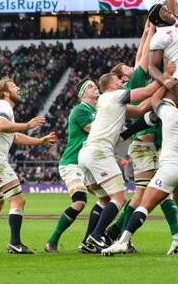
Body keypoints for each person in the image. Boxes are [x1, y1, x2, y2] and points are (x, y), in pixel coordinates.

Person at [102, 86, 178, 257]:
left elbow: (154, 101)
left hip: (168, 169)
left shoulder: (171, 113)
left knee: (145, 205)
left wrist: (165, 83)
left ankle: (122, 242)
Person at [0, 78, 58, 254]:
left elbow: (14, 136)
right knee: (18, 199)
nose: (18, 88)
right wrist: (28, 125)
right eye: (14, 86)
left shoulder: (3, 109)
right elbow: (1, 125)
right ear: (6, 93)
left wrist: (39, 141)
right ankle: (15, 243)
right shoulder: (3, 107)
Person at [78, 73, 159, 252]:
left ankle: (87, 242)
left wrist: (157, 98)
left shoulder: (111, 102)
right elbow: (146, 91)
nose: (123, 82)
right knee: (120, 198)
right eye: (118, 80)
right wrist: (166, 77)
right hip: (99, 152)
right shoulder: (113, 95)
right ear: (111, 85)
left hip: (86, 153)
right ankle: (97, 236)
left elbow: (140, 109)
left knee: (104, 199)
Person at [45, 79, 110, 253]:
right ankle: (52, 241)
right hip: (72, 163)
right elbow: (96, 130)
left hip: (89, 164)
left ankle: (88, 241)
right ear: (82, 94)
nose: (95, 86)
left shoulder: (96, 110)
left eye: (95, 85)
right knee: (80, 201)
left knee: (106, 200)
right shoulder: (81, 109)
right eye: (90, 86)